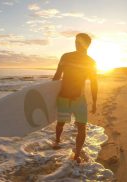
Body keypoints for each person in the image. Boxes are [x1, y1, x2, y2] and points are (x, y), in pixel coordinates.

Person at [52, 33, 98, 163]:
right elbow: (57, 76)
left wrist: (94, 101)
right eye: (76, 41)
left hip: (78, 99)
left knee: (81, 127)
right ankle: (57, 140)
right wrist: (48, 95)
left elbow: (94, 83)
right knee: (61, 123)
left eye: (79, 42)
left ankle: (77, 154)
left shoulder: (90, 62)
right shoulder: (66, 57)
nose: (76, 43)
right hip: (66, 98)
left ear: (86, 44)